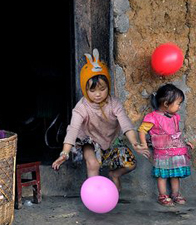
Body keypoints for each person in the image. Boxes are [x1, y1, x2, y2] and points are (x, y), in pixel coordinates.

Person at [52, 50, 148, 190]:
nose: (98, 94)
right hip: (89, 141)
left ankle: (114, 175)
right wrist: (65, 153)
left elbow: (126, 124)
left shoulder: (114, 103)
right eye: (92, 90)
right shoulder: (82, 107)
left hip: (111, 141)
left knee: (131, 164)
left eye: (102, 89)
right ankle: (94, 194)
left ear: (108, 86)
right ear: (85, 89)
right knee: (93, 163)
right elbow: (73, 129)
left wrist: (135, 143)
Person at [138, 84, 193, 206]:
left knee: (175, 174)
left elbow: (176, 133)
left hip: (176, 151)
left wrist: (185, 142)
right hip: (162, 153)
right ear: (167, 104)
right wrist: (143, 144)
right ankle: (162, 195)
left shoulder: (175, 117)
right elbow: (142, 130)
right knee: (162, 174)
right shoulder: (152, 117)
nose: (179, 107)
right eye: (178, 104)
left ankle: (175, 194)